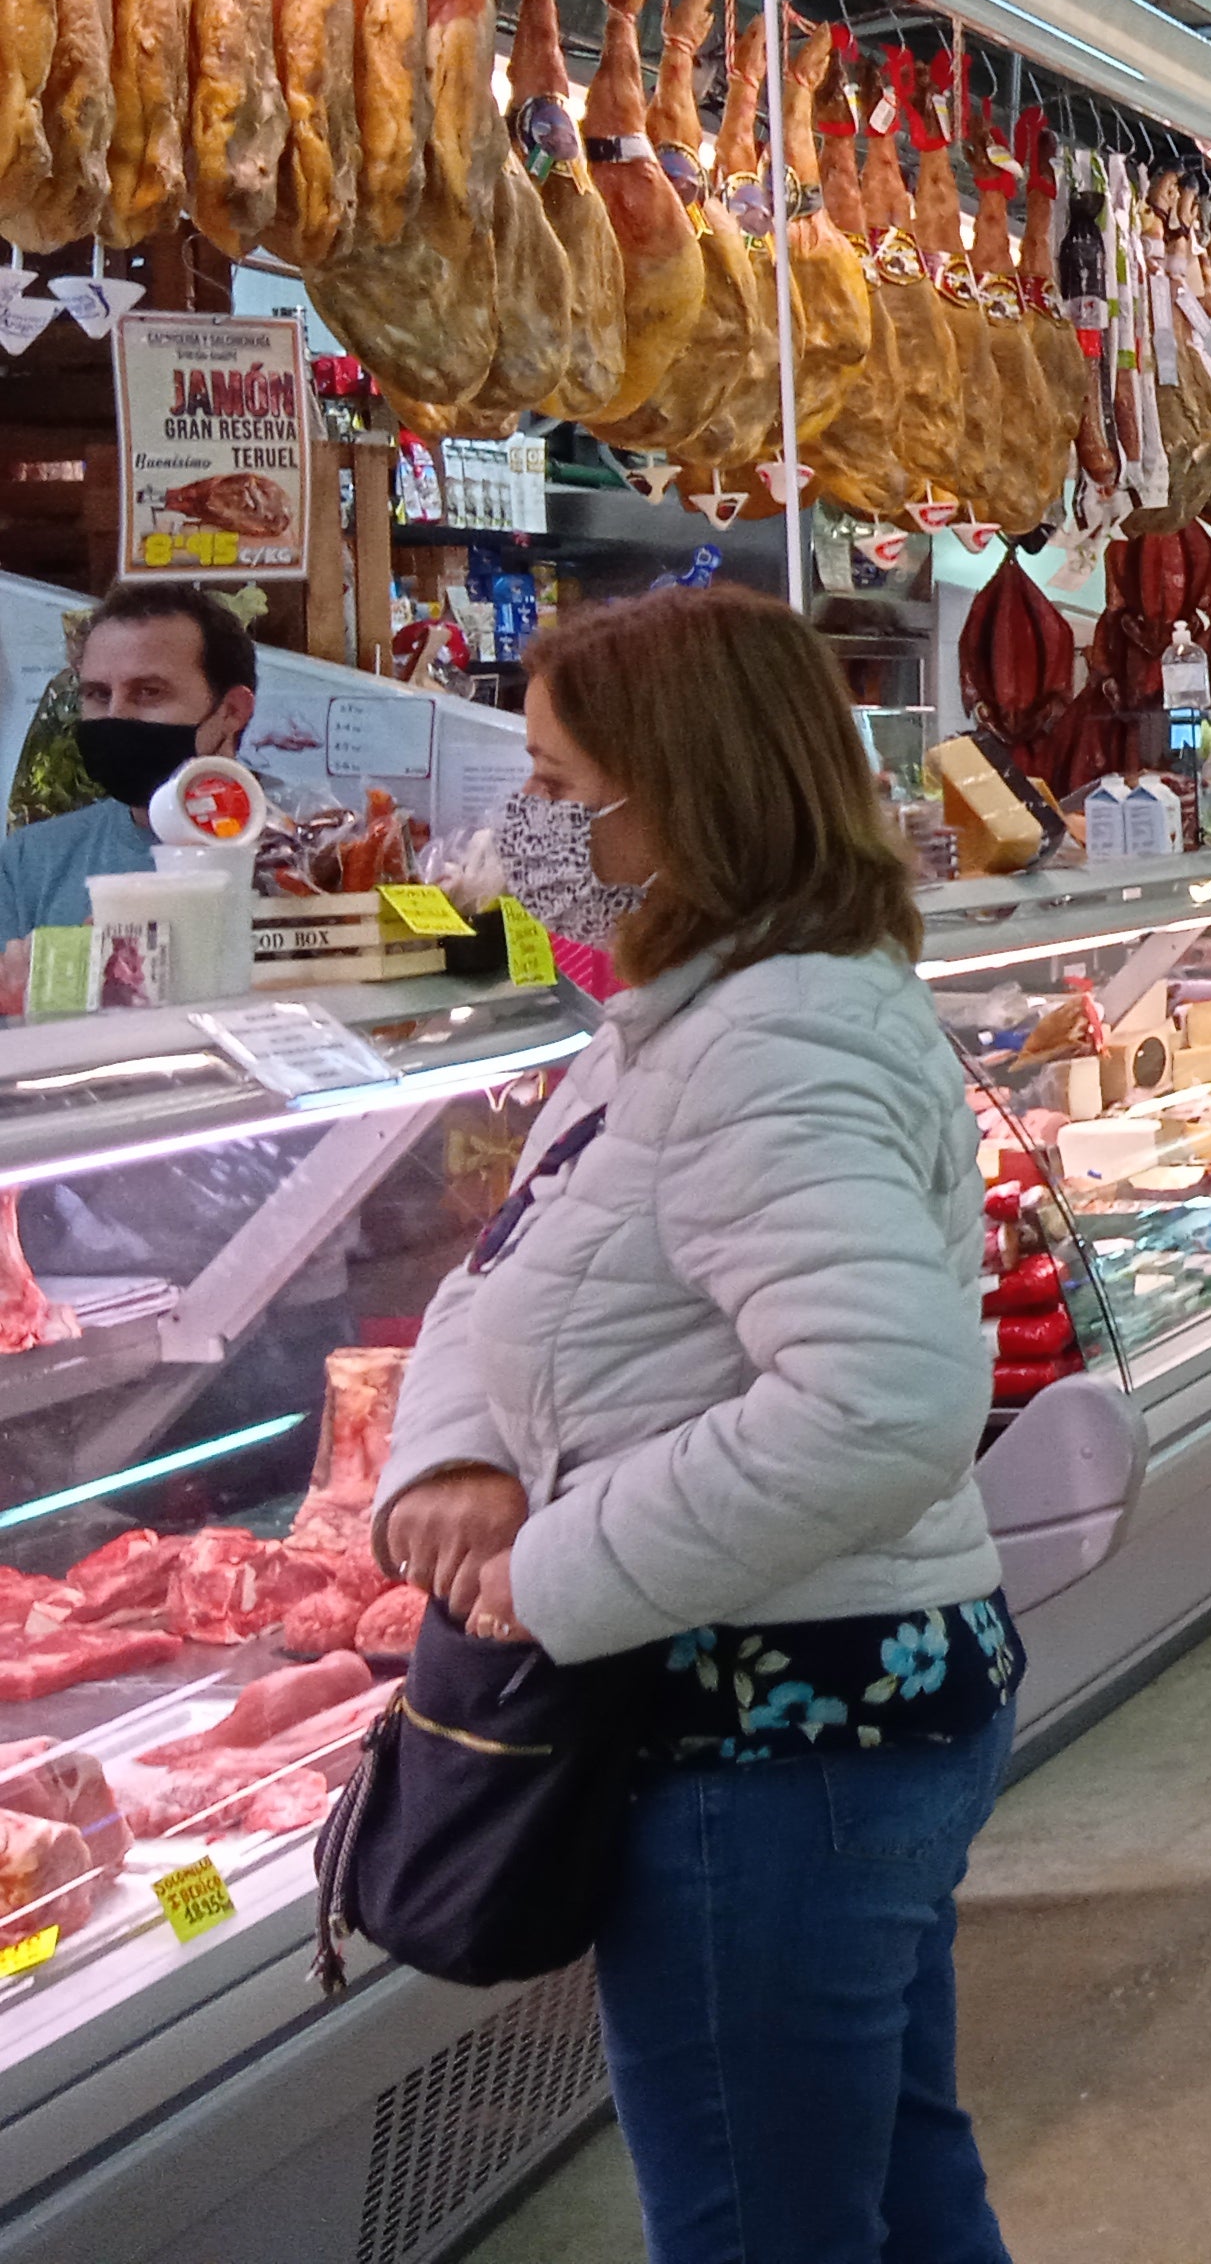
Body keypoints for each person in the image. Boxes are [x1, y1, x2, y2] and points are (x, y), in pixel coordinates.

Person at [370, 585, 1017, 2264]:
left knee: (762, 2221)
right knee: (888, 2185)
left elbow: (881, 1405)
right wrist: (452, 1456)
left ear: (689, 792)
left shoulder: (767, 1038)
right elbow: (519, 1267)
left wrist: (554, 1569)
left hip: (778, 1726)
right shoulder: (678, 1017)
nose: (531, 827)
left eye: (563, 784)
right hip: (808, 1702)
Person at [0, 584, 259, 941]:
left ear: (232, 712)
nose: (115, 715)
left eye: (149, 692)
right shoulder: (31, 861)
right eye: (98, 694)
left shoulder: (309, 856)